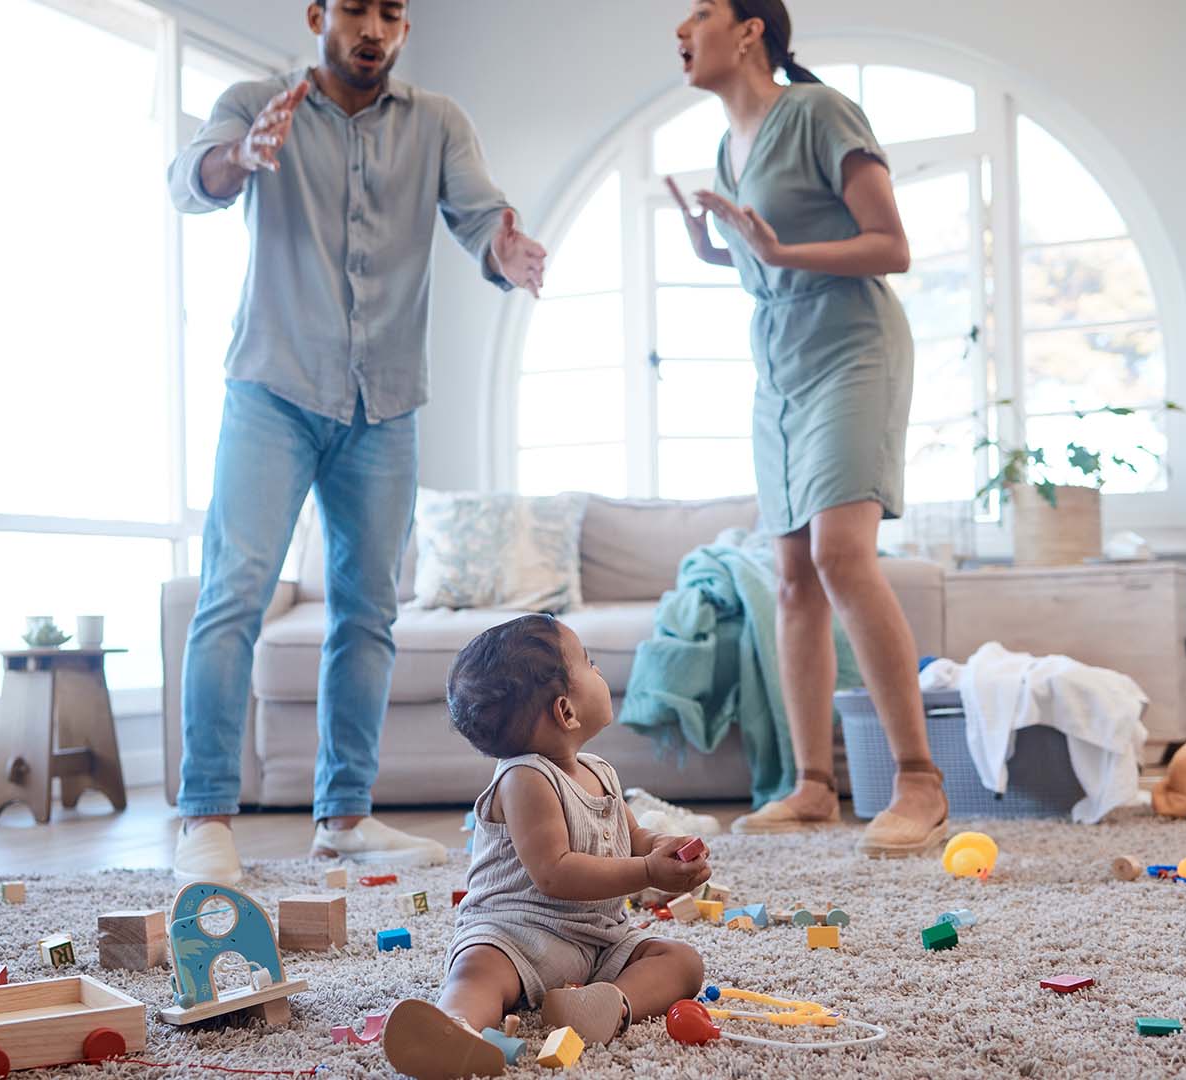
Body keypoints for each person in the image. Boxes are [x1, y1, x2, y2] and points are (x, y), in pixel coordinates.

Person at [166, 0, 547, 882]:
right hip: (272, 389)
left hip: (386, 405)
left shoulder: (439, 122)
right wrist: (239, 156)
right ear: (317, 14)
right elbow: (193, 178)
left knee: (366, 613)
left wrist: (505, 251)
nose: (371, 27)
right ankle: (206, 819)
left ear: (404, 27)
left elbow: (479, 216)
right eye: (354, 9)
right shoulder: (258, 101)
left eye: (391, 12)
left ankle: (344, 818)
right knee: (234, 594)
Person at [670, 0, 949, 856]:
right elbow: (767, 254)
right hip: (778, 363)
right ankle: (812, 786)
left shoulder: (818, 112)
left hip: (850, 348)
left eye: (700, 11)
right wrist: (717, 249)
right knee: (790, 573)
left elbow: (890, 245)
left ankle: (917, 782)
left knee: (839, 553)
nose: (681, 28)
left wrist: (781, 252)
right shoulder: (727, 144)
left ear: (750, 28)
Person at [381, 615, 708, 1080]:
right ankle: (453, 1026)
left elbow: (631, 839)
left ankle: (609, 1005)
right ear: (566, 711)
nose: (599, 672)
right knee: (478, 970)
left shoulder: (600, 771)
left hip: (598, 939)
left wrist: (663, 848)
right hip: (518, 933)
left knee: (683, 962)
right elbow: (555, 873)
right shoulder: (524, 778)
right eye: (590, 664)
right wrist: (648, 873)